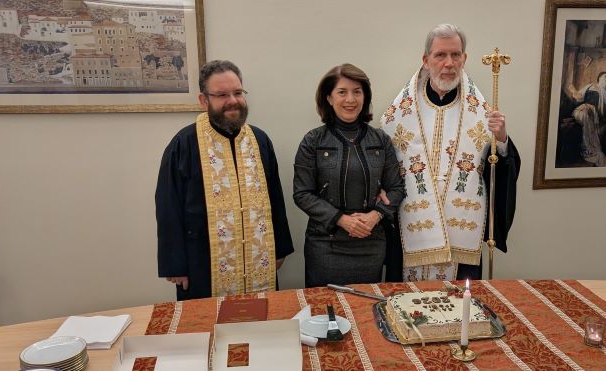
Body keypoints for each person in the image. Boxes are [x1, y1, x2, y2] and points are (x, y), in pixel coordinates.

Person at [381, 24, 520, 282]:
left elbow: (500, 173)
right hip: (411, 232)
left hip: (463, 234)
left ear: (464, 59)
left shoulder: (481, 113)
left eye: (456, 55)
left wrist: (501, 141)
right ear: (425, 60)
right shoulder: (400, 114)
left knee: (460, 310)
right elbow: (382, 164)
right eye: (440, 55)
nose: (449, 63)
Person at [155, 60, 294, 300]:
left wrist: (279, 249)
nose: (232, 100)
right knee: (208, 328)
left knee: (261, 324)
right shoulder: (184, 143)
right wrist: (175, 265)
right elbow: (168, 205)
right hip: (201, 261)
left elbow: (275, 197)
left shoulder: (259, 139)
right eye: (222, 95)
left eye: (238, 93)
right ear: (203, 100)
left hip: (257, 256)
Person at [293, 63, 405, 288]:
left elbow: (397, 188)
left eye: (357, 91)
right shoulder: (313, 141)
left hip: (370, 241)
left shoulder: (381, 140)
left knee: (364, 313)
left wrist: (376, 215)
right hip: (326, 244)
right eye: (342, 92)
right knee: (326, 314)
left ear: (365, 96)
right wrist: (341, 220)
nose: (350, 99)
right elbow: (302, 193)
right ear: (329, 98)